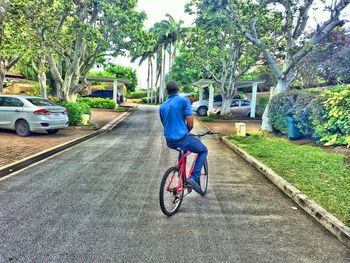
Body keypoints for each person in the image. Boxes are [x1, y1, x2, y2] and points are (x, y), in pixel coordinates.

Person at [159, 81, 208, 194]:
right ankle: (194, 178)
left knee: (183, 149)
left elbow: (165, 123)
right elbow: (190, 123)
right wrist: (186, 131)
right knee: (203, 150)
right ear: (178, 89)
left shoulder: (162, 106)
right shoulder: (183, 101)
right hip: (181, 138)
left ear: (167, 91)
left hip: (169, 141)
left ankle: (182, 177)